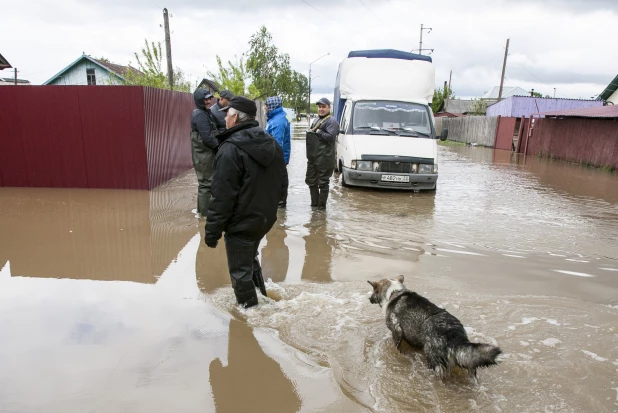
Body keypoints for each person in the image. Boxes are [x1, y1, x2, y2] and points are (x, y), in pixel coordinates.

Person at [205, 96, 286, 308]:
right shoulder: (271, 143)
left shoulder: (230, 148)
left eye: (227, 115)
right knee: (249, 261)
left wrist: (212, 232)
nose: (224, 120)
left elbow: (222, 196)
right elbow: (282, 185)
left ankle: (252, 315)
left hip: (241, 224)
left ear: (235, 117)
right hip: (263, 220)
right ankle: (262, 299)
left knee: (240, 273)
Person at [306, 97, 339, 209]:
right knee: (311, 181)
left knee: (323, 183)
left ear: (329, 107)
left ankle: (321, 209)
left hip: (325, 158)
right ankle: (314, 206)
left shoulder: (332, 121)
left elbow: (330, 137)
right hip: (313, 158)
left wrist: (319, 132)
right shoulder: (316, 120)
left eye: (323, 107)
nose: (321, 109)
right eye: (319, 107)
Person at [190, 88, 219, 218]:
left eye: (209, 98)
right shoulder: (199, 115)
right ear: (199, 100)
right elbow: (207, 138)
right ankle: (205, 216)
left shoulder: (205, 113)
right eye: (205, 99)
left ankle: (202, 211)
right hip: (203, 155)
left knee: (206, 183)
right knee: (206, 184)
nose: (208, 101)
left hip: (206, 154)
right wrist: (220, 147)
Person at [264, 96, 291, 208]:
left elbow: (276, 144)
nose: (264, 107)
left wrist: (269, 160)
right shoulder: (278, 117)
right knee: (281, 179)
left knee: (277, 181)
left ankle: (279, 206)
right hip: (281, 157)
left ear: (271, 106)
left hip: (277, 158)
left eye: (266, 105)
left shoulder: (278, 121)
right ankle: (280, 206)